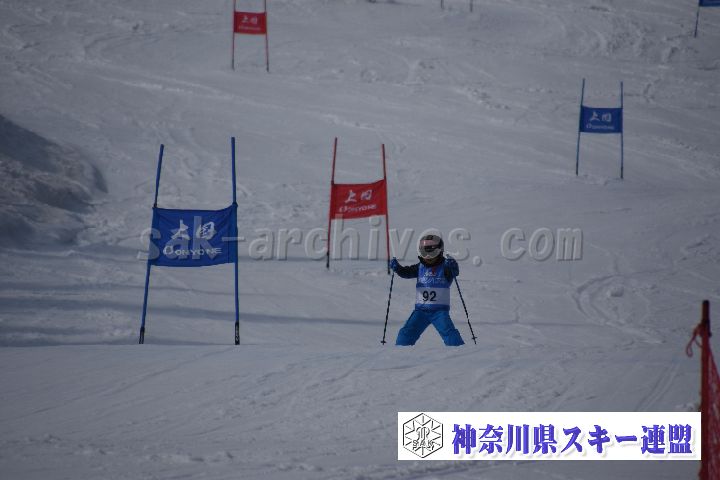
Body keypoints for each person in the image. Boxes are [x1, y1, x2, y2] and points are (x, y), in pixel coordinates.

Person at [389, 234, 464, 346]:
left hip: (439, 312)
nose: (428, 257)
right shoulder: (420, 267)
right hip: (421, 312)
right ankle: (399, 353)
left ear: (440, 251)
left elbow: (454, 272)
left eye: (432, 253)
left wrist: (453, 266)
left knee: (449, 333)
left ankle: (460, 352)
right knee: (406, 334)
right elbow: (406, 272)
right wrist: (398, 268)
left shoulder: (445, 267)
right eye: (424, 253)